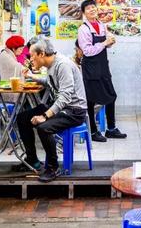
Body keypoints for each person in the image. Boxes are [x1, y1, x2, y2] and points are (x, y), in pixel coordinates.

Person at [16, 37, 88, 183]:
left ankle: (52, 168)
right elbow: (50, 82)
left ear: (42, 54)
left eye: (32, 56)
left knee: (43, 127)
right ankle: (33, 160)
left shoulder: (63, 65)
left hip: (74, 111)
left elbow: (65, 96)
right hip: (63, 107)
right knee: (22, 118)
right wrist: (31, 76)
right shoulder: (51, 65)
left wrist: (45, 115)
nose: (30, 59)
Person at [77, 0, 127, 142]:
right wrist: (104, 43)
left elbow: (104, 45)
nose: (92, 10)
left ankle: (111, 129)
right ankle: (93, 132)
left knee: (111, 96)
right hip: (91, 68)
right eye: (88, 8)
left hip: (103, 66)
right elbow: (87, 51)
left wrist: (110, 43)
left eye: (93, 7)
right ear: (84, 13)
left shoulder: (101, 25)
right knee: (91, 101)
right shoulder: (83, 29)